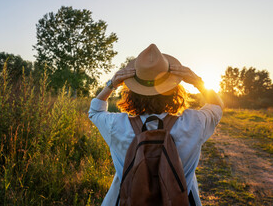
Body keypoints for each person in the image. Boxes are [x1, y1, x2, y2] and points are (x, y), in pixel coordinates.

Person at [89, 44, 224, 206]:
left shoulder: (117, 125)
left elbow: (95, 111)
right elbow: (217, 106)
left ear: (131, 91)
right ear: (174, 89)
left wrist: (112, 84)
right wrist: (197, 82)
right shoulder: (193, 122)